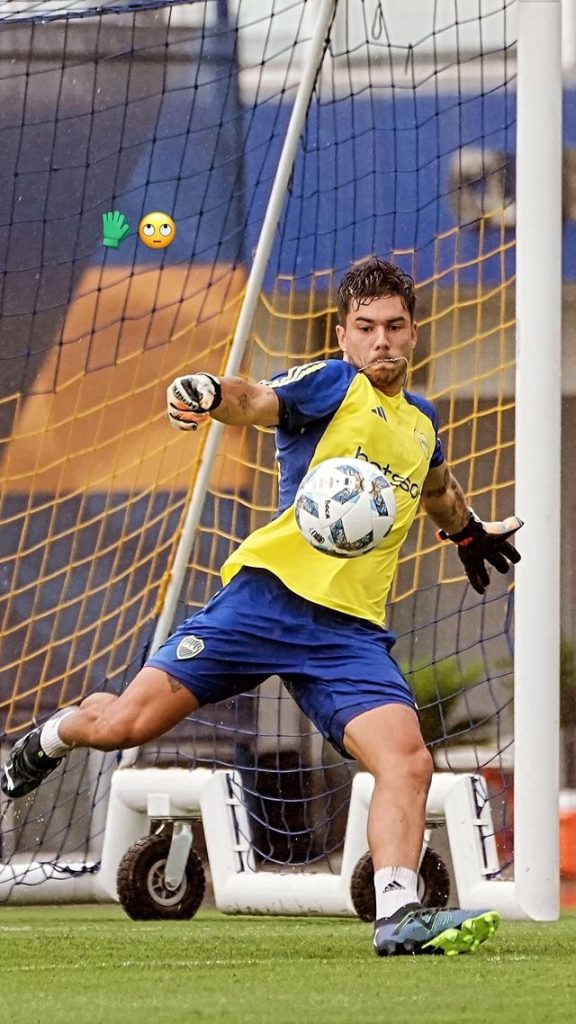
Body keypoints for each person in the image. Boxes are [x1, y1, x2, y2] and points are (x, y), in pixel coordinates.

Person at [1, 256, 522, 957]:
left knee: (406, 760)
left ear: (415, 333)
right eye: (365, 328)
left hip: (348, 637)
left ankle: (397, 912)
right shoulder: (332, 383)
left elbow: (437, 488)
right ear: (343, 336)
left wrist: (466, 532)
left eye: (395, 327)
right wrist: (207, 390)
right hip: (261, 604)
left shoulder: (422, 423)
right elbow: (253, 400)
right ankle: (55, 735)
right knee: (126, 723)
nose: (382, 342)